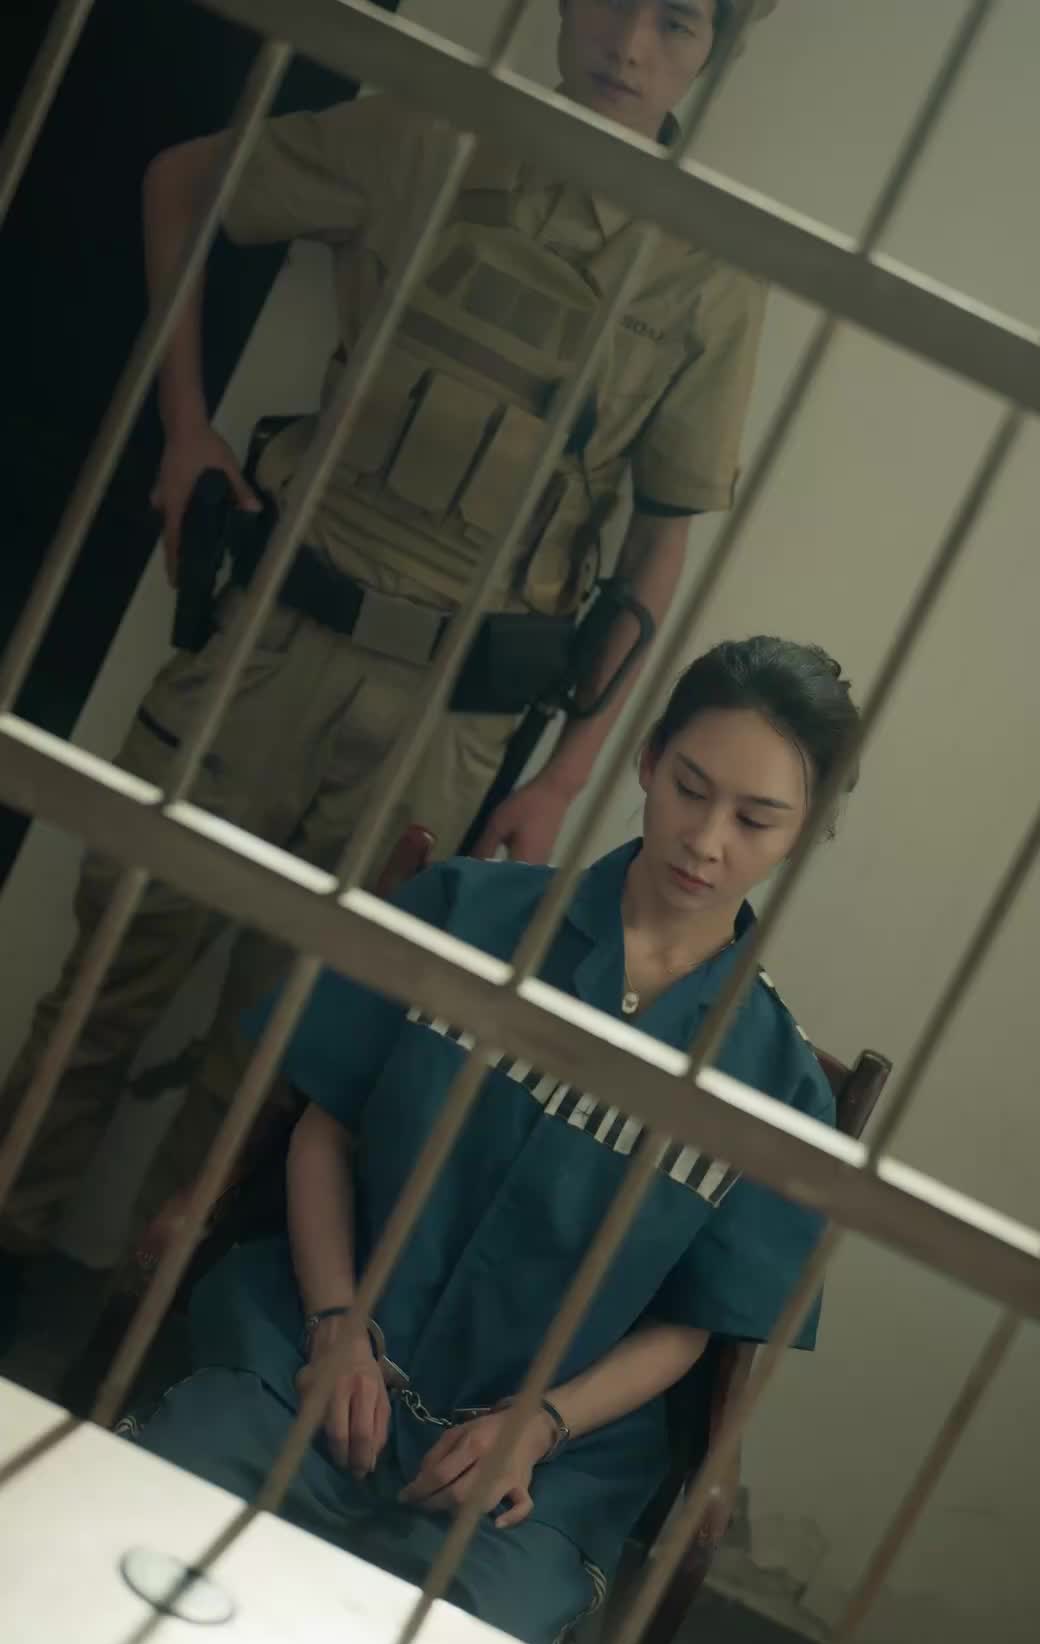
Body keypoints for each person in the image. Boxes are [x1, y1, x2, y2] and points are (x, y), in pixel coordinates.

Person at [0, 0, 772, 1349]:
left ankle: (137, 1351)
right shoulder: (427, 136)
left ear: (717, 51)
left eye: (678, 22)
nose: (629, 45)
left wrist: (564, 780)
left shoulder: (707, 275)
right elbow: (183, 182)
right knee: (108, 978)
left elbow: (658, 549)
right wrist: (183, 429)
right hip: (273, 641)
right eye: (609, 0)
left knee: (279, 1054)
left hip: (449, 718)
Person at [129, 637, 860, 1644]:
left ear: (806, 833)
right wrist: (336, 1326)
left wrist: (540, 1425)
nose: (705, 840)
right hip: (302, 1352)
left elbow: (694, 1328)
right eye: (690, 789)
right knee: (145, 1554)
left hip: (539, 1474)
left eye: (755, 819)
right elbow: (323, 1127)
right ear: (648, 760)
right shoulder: (466, 914)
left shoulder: (776, 1087)